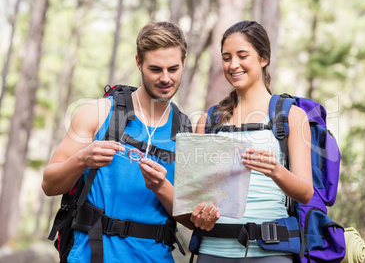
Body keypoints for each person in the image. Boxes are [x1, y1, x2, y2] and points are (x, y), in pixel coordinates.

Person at [42, 21, 214, 263]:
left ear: (184, 63)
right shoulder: (98, 113)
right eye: (155, 69)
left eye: (173, 69)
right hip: (92, 255)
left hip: (156, 257)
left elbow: (191, 220)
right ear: (138, 63)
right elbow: (49, 184)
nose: (166, 78)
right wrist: (82, 159)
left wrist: (160, 186)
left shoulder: (188, 131)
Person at [191, 20, 314, 262]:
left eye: (242, 55)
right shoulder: (208, 121)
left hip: (270, 252)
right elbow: (197, 196)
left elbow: (306, 192)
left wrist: (276, 171)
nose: (233, 65)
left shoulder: (291, 116)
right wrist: (197, 215)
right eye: (226, 57)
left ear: (263, 58)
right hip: (212, 250)